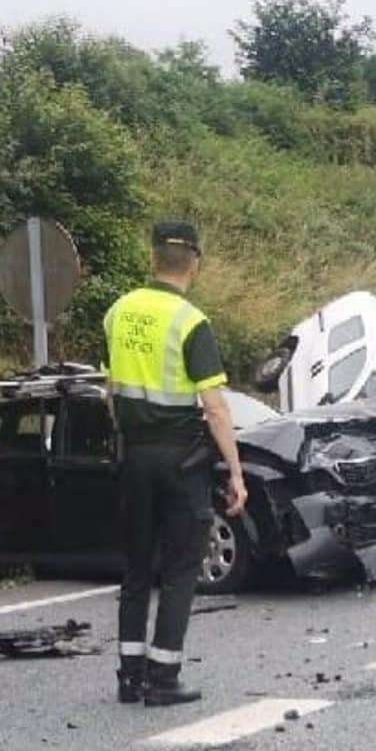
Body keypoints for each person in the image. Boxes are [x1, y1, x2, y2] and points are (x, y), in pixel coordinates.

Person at [103, 221, 247, 707]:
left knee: (136, 567)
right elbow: (215, 406)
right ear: (196, 264)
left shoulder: (117, 313)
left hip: (134, 455)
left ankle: (129, 676)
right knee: (183, 565)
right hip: (182, 460)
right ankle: (164, 678)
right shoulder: (190, 322)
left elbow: (110, 391)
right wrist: (236, 472)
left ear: (152, 259)